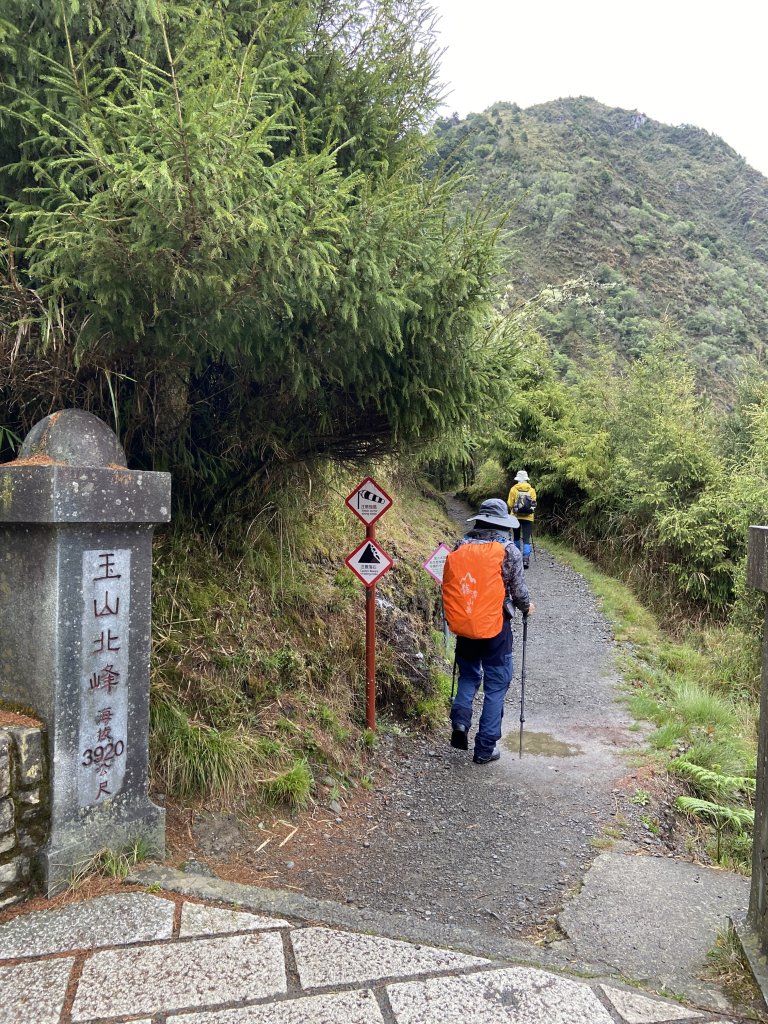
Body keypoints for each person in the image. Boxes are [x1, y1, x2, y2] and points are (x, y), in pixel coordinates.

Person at [443, 498, 534, 764]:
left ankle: (460, 723)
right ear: (502, 524)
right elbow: (519, 593)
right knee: (496, 685)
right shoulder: (508, 551)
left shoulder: (461, 546)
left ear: (480, 521)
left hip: (465, 625)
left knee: (469, 677)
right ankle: (484, 749)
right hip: (496, 628)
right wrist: (527, 608)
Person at [507, 470, 537, 569]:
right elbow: (534, 504)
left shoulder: (513, 489)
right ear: (526, 479)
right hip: (528, 518)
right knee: (526, 538)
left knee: (516, 537)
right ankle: (526, 560)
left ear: (518, 479)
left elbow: (510, 504)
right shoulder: (531, 490)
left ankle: (517, 559)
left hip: (515, 516)